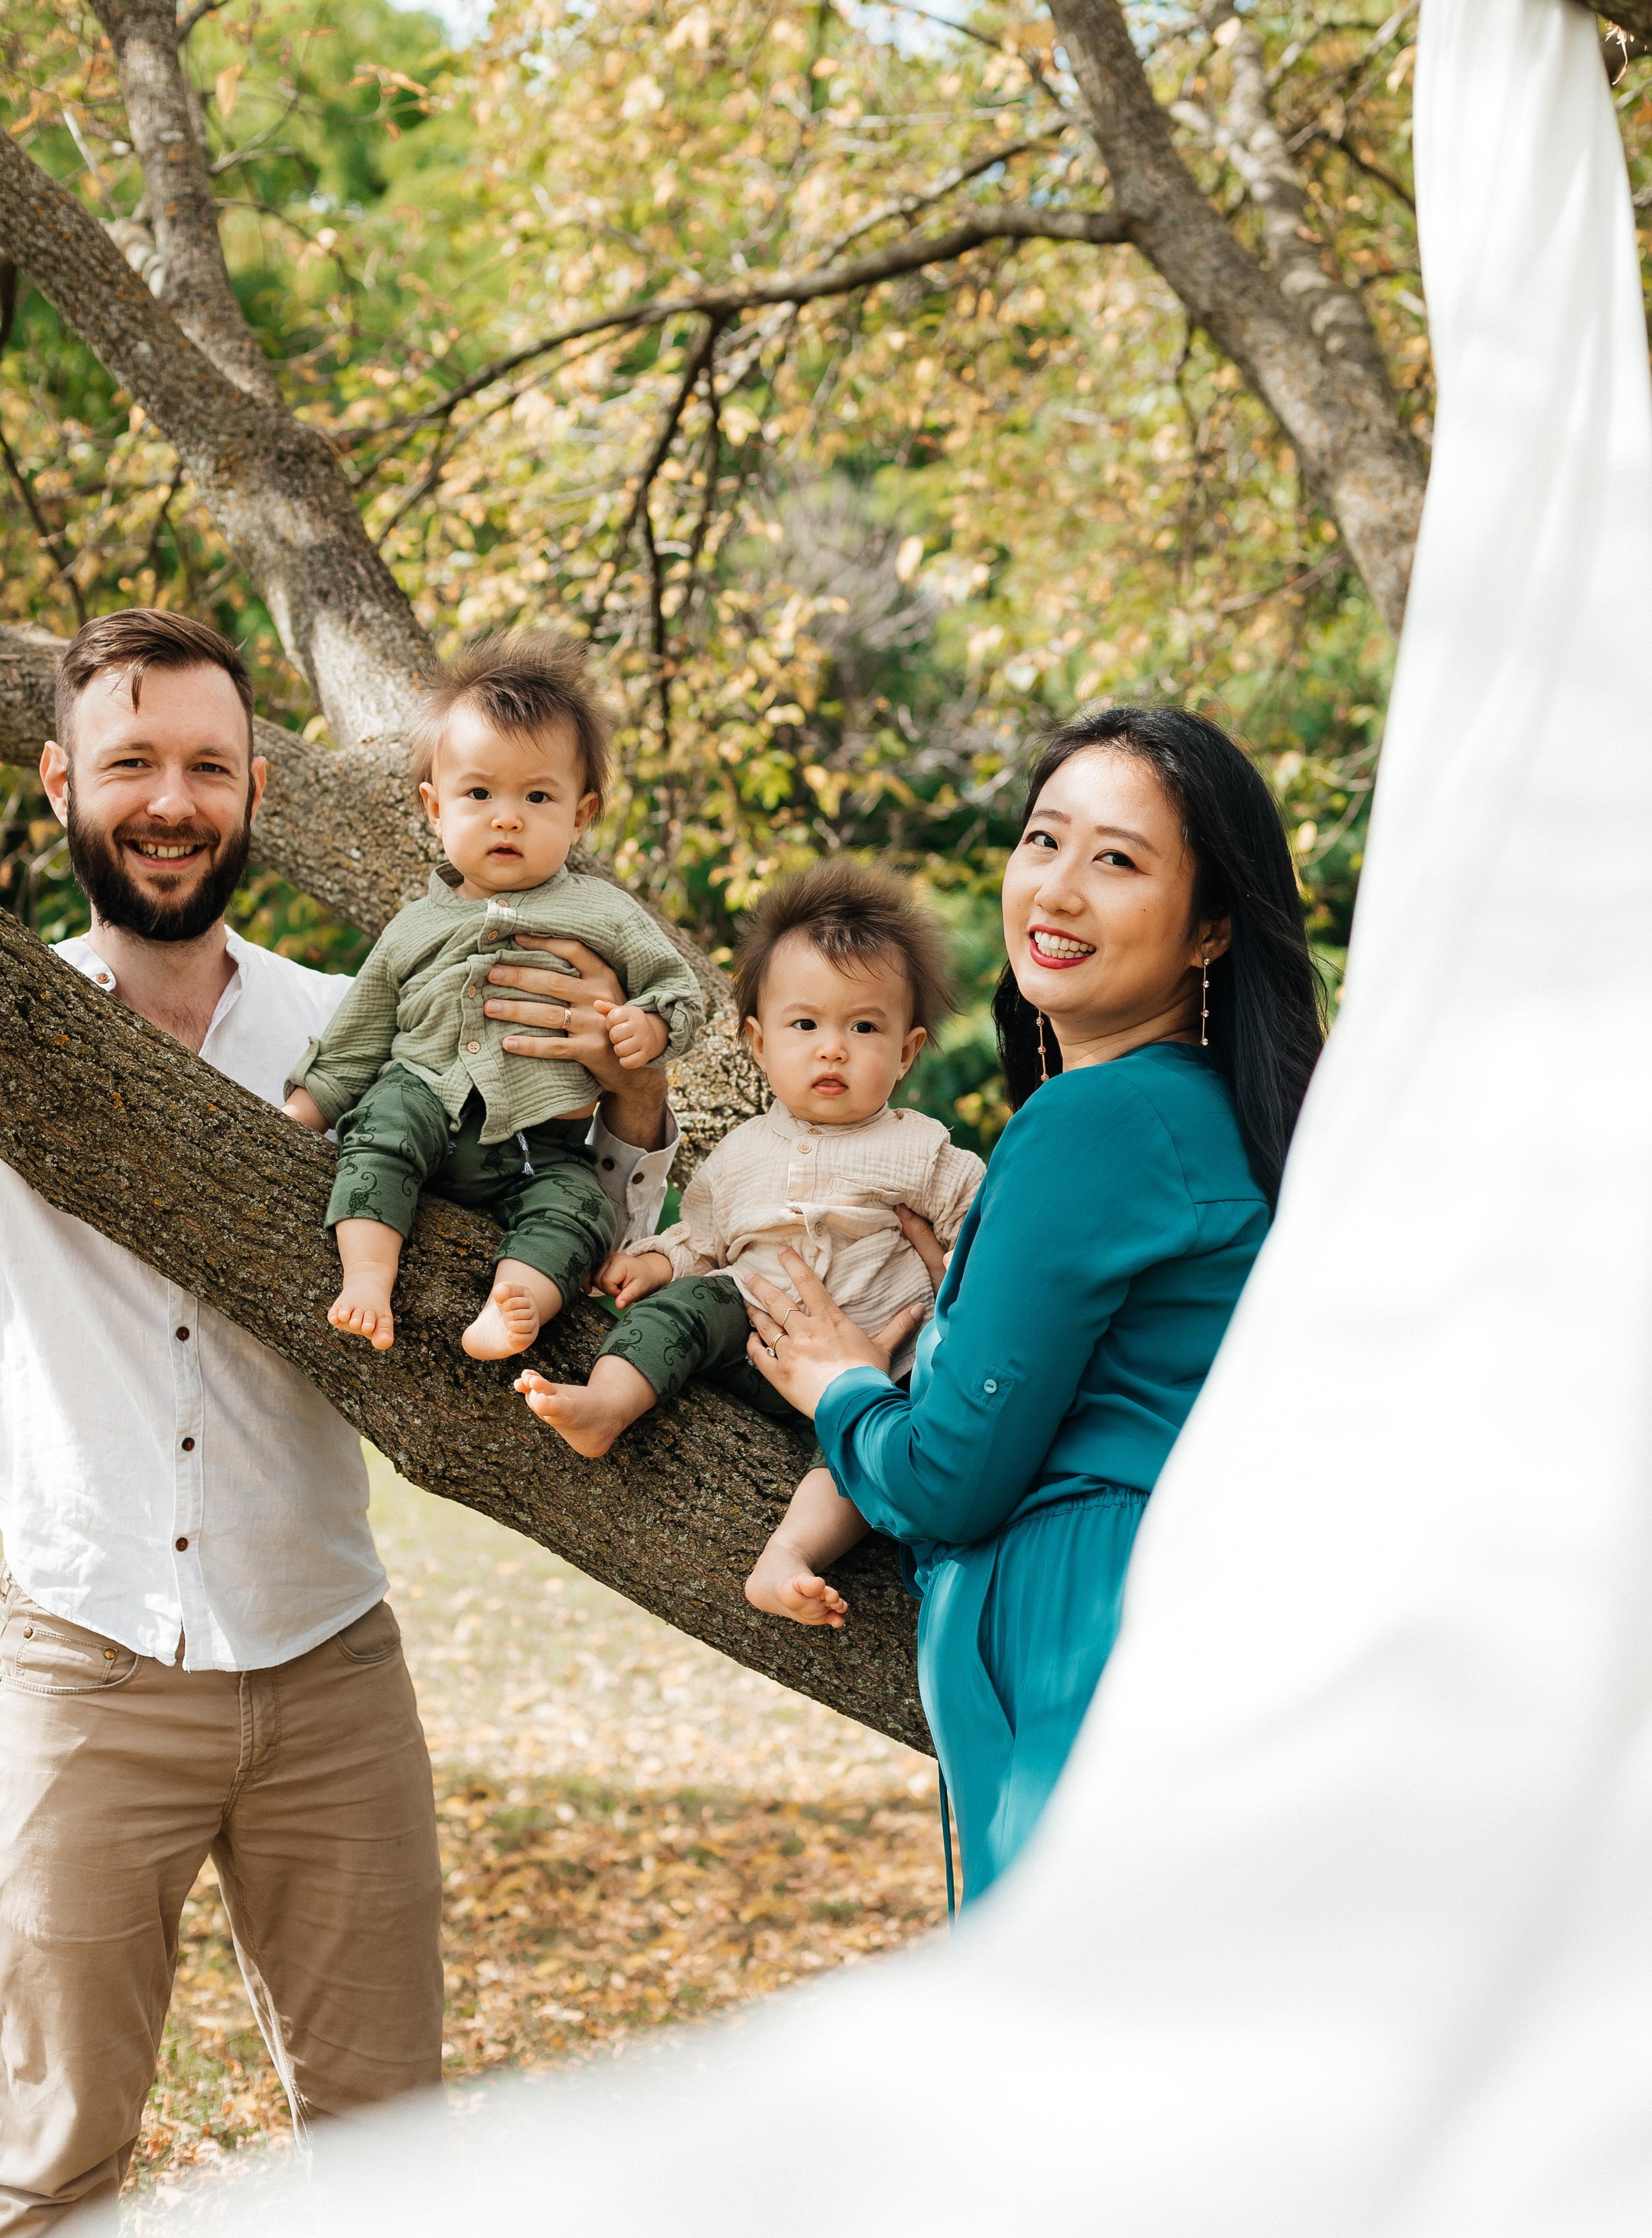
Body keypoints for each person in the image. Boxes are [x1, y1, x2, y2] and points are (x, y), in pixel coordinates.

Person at [0, 608, 680, 2230]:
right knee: (50, 2162)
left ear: (254, 793)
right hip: (78, 1655)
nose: (172, 801)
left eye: (210, 767)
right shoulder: (20, 1045)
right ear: (57, 786)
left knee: (386, 2157)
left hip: (328, 1662)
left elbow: (576, 1187)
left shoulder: (350, 1021)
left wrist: (630, 1091)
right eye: (132, 764)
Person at [743, 707, 1324, 1900]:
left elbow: (949, 1475)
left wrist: (837, 1382)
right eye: (1043, 840)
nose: (1057, 889)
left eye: (1117, 859)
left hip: (1085, 1639)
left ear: (1212, 925)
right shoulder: (1221, 1116)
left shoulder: (1096, 1119)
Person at [282, 633, 703, 1359]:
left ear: (580, 815)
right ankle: (367, 1279)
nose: (507, 816)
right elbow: (353, 1047)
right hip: (423, 1099)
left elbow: (680, 989)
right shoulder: (412, 927)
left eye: (538, 796)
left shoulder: (604, 913)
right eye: (478, 794)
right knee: (377, 1130)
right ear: (434, 808)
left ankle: (514, 1304)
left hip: (540, 1141)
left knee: (579, 1214)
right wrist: (293, 1117)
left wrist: (650, 1028)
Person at [514, 862, 984, 1509]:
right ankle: (605, 1404)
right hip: (750, 1336)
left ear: (907, 1052)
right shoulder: (740, 1154)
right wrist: (655, 1263)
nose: (833, 1050)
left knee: (873, 1448)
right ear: (758, 1044)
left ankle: (793, 1551)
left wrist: (958, 1301)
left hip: (871, 1366)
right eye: (806, 1025)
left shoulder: (923, 1149)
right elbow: (701, 1239)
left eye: (864, 1027)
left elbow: (983, 1233)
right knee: (685, 1309)